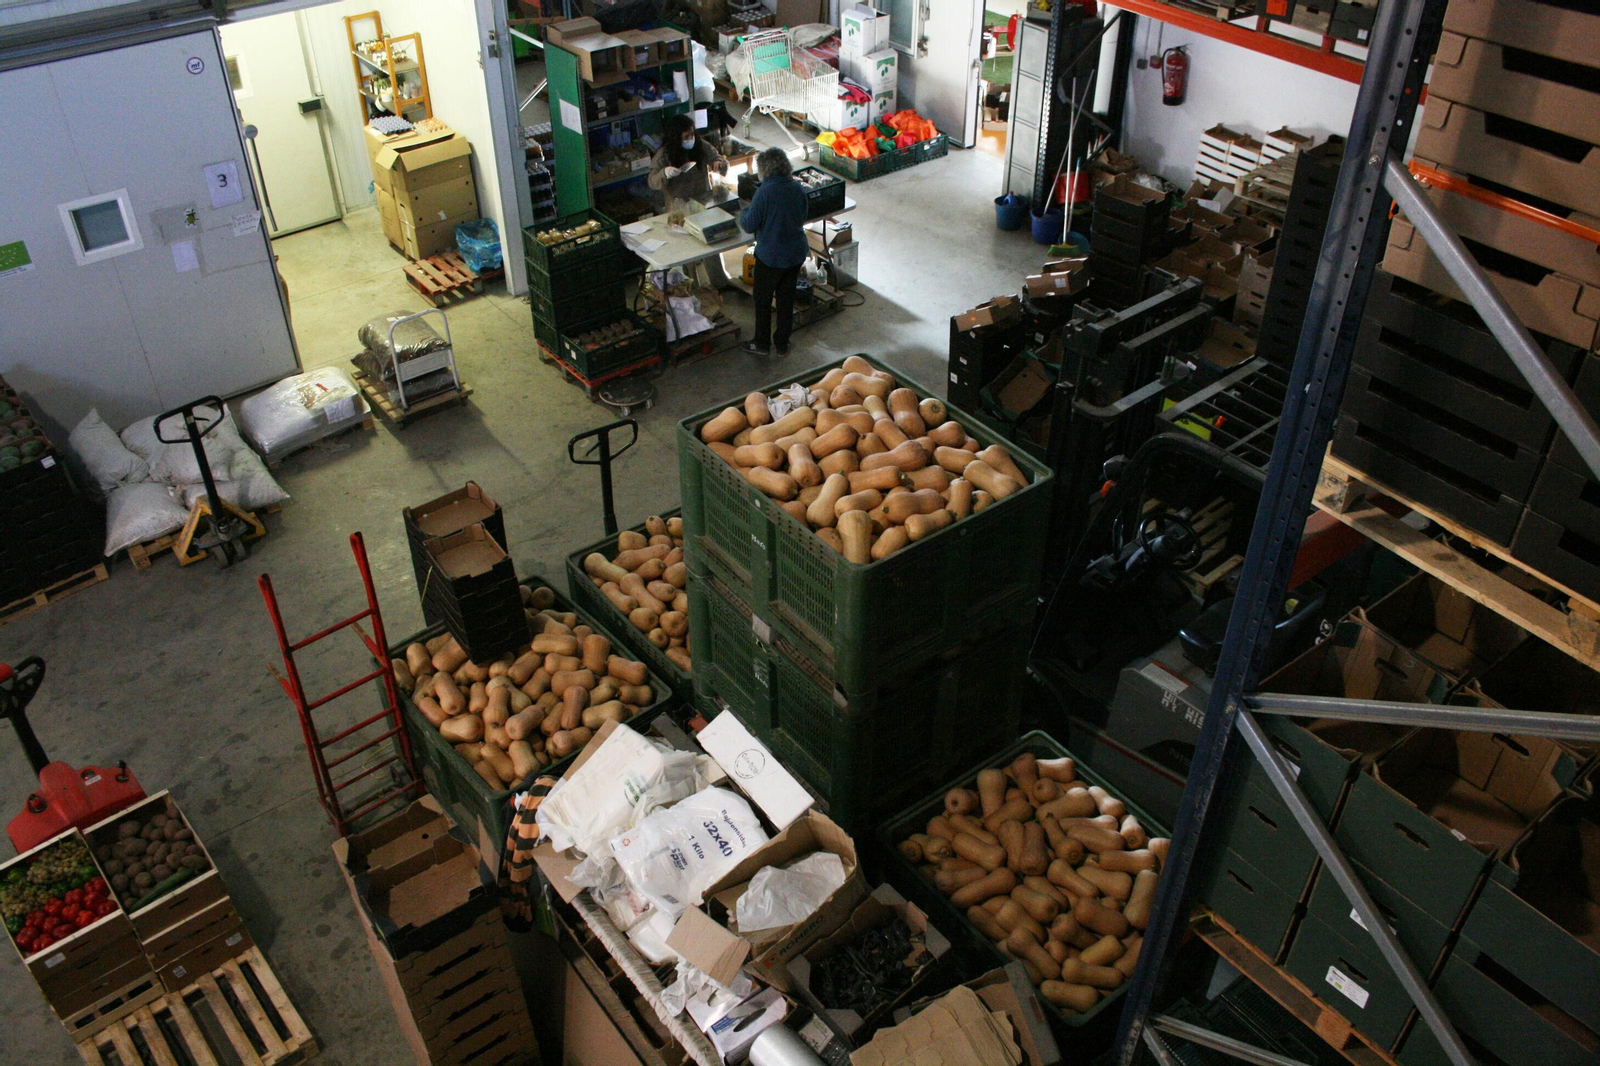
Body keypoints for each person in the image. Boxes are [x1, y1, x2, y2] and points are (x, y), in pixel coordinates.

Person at [738, 148, 809, 356]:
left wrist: (744, 211)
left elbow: (749, 225)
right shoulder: (797, 188)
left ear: (764, 169)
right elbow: (803, 215)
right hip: (795, 254)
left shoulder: (764, 192)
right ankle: (782, 344)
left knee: (763, 300)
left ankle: (761, 343)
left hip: (771, 257)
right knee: (786, 299)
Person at [647, 115, 728, 211]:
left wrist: (719, 162)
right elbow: (652, 182)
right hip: (678, 207)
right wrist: (664, 173)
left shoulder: (700, 144)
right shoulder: (664, 155)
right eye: (686, 136)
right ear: (676, 138)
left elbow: (716, 157)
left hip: (703, 201)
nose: (691, 138)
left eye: (692, 134)